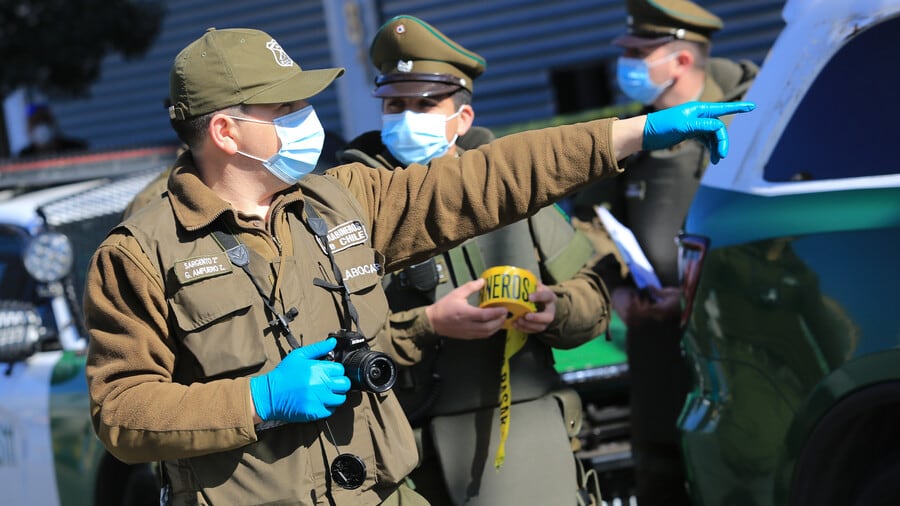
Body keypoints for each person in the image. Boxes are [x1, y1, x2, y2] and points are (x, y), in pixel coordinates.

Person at [82, 26, 753, 506]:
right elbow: (121, 411)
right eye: (285, 109)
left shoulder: (341, 200)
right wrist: (256, 400)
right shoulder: (140, 253)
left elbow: (490, 177)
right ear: (226, 132)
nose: (307, 120)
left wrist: (635, 133)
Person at [336, 15, 611, 505]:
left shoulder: (512, 185)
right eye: (396, 105)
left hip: (526, 443)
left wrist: (555, 309)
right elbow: (330, 342)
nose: (407, 117)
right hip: (407, 455)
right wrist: (429, 325)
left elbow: (593, 300)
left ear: (462, 119)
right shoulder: (350, 203)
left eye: (425, 104)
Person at [570, 1, 760, 505]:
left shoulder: (755, 121)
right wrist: (617, 289)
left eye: (638, 53)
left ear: (681, 61)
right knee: (662, 475)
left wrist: (700, 295)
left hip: (744, 346)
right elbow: (590, 224)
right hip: (657, 348)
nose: (625, 65)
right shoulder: (635, 134)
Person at [18, 104, 87, 157]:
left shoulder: (76, 149)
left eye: (45, 120)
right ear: (28, 128)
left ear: (54, 123)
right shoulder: (24, 157)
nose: (41, 125)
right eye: (36, 121)